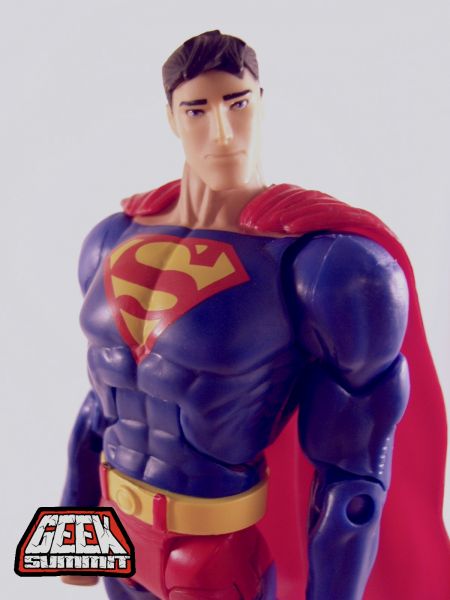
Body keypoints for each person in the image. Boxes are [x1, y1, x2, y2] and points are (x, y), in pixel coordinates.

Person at [61, 30, 449, 600]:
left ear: (261, 103)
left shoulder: (325, 267)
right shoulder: (111, 239)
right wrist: (75, 527)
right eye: (197, 110)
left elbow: (352, 478)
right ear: (171, 118)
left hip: (210, 555)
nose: (221, 131)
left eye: (237, 103)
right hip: (115, 533)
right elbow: (100, 402)